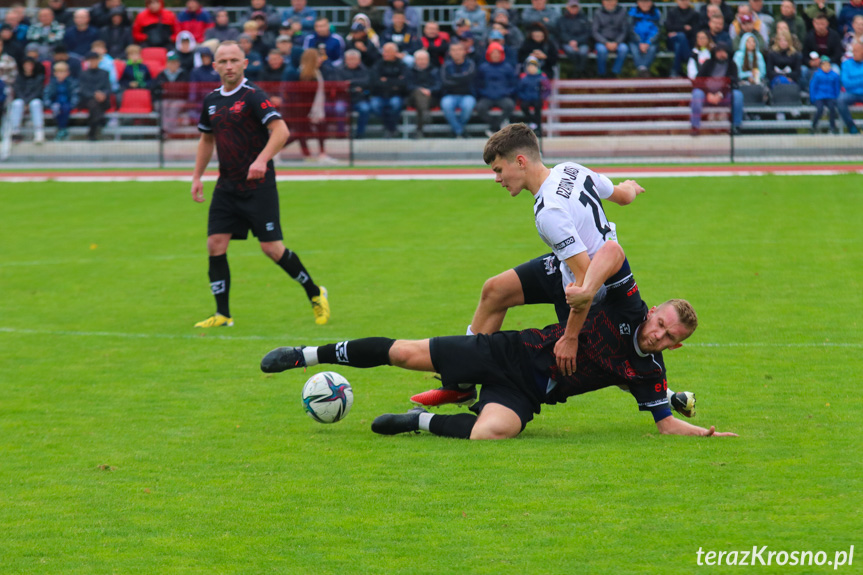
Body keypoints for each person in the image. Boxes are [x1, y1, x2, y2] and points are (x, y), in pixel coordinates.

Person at [260, 246, 730, 439]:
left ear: (675, 347)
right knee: (405, 353)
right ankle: (303, 356)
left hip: (527, 393)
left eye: (670, 336)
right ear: (652, 313)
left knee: (492, 433)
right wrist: (587, 291)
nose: (659, 333)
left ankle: (418, 422)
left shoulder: (650, 373)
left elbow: (665, 425)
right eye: (661, 322)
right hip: (508, 351)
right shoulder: (629, 307)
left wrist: (706, 434)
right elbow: (614, 251)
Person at [192, 41, 329, 328]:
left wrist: (261, 160)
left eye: (234, 60)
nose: (228, 66)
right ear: (214, 66)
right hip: (227, 186)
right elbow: (207, 139)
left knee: (272, 249)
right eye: (223, 61)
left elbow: (281, 130)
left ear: (244, 63)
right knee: (215, 244)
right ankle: (222, 314)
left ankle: (315, 293)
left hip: (258, 186)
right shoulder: (211, 100)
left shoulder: (254, 96)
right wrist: (196, 176)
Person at [690, 42, 743, 134]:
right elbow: (698, 81)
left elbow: (734, 83)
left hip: (724, 96)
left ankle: (736, 126)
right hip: (707, 95)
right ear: (714, 53)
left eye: (723, 52)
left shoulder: (732, 65)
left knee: (738, 95)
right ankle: (695, 127)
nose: (721, 54)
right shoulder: (708, 63)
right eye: (719, 51)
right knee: (697, 94)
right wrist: (708, 94)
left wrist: (720, 94)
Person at [474, 42, 516, 136]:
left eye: (498, 53)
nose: (496, 55)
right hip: (487, 96)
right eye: (493, 53)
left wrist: (507, 92)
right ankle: (497, 125)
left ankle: (494, 127)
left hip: (503, 96)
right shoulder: (483, 68)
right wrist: (483, 92)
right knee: (480, 107)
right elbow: (478, 83)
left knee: (509, 105)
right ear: (489, 54)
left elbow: (513, 83)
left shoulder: (508, 67)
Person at [368, 42, 409, 138]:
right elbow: (375, 82)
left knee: (395, 104)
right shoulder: (378, 64)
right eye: (384, 51)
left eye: (388, 52)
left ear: (395, 53)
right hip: (380, 94)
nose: (384, 54)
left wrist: (386, 81)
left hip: (396, 94)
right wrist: (395, 82)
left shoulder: (402, 65)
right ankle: (391, 128)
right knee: (375, 105)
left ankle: (389, 128)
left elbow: (404, 83)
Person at [440, 41, 477, 138]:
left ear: (464, 51)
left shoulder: (470, 64)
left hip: (467, 94)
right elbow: (444, 82)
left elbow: (469, 79)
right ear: (450, 52)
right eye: (453, 50)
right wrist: (462, 79)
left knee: (468, 106)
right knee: (446, 105)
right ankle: (460, 130)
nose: (456, 52)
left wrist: (452, 78)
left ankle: (455, 130)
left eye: (459, 50)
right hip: (450, 95)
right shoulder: (445, 65)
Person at [150, 50, 189, 137]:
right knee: (163, 106)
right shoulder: (161, 75)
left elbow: (185, 91)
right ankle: (167, 131)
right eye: (171, 62)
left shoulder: (183, 74)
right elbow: (155, 90)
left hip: (179, 100)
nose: (173, 65)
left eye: (175, 62)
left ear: (178, 63)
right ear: (167, 63)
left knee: (174, 107)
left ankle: (165, 131)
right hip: (164, 99)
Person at [9, 57, 45, 144]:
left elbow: (38, 91)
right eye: (26, 65)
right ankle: (15, 131)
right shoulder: (18, 77)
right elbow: (17, 91)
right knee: (17, 103)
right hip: (22, 100)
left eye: (30, 65)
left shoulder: (39, 77)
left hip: (34, 99)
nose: (28, 67)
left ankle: (39, 132)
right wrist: (25, 102)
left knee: (35, 103)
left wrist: (28, 101)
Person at [801, 13, 844, 85]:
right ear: (813, 23)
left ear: (827, 24)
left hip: (830, 63)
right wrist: (810, 62)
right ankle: (808, 91)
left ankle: (835, 91)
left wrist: (825, 61)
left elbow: (838, 54)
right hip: (814, 64)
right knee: (803, 70)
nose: (820, 26)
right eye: (817, 24)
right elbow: (804, 55)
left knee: (836, 71)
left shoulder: (834, 35)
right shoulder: (809, 36)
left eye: (822, 24)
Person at [405, 49, 439, 137]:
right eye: (420, 59)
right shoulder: (409, 70)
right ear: (415, 60)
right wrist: (421, 90)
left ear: (428, 60)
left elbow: (439, 86)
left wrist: (429, 90)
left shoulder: (434, 70)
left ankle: (419, 129)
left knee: (421, 101)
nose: (422, 61)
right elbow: (408, 86)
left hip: (431, 98)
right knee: (418, 94)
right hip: (413, 98)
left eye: (424, 59)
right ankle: (425, 118)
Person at [592, 0, 630, 78]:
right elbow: (595, 31)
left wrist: (617, 42)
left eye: (611, 0)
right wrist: (605, 42)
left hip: (618, 41)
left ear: (616, 1)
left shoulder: (622, 12)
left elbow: (624, 30)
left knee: (624, 49)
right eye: (607, 1)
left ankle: (615, 73)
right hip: (602, 42)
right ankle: (602, 74)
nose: (609, 3)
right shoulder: (598, 12)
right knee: (601, 50)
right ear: (603, 2)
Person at [78, 50, 111, 140]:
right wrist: (94, 95)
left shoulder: (104, 73)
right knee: (94, 104)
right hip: (89, 100)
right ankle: (100, 122)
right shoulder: (83, 74)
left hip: (103, 100)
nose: (93, 62)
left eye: (94, 60)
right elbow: (83, 90)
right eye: (91, 60)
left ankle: (92, 131)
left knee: (96, 105)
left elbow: (108, 88)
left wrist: (103, 94)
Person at [556, 0, 591, 78]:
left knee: (583, 52)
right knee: (571, 51)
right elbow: (562, 33)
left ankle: (578, 72)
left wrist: (577, 42)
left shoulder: (584, 18)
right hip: (567, 43)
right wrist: (570, 41)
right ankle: (579, 72)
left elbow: (587, 33)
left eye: (575, 7)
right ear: (567, 7)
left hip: (582, 43)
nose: (574, 9)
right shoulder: (562, 20)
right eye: (572, 7)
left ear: (578, 8)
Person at [43, 60, 78, 141]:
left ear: (67, 73)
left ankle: (61, 129)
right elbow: (46, 96)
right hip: (55, 103)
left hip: (67, 103)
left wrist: (73, 104)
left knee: (64, 108)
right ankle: (63, 130)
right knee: (57, 108)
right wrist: (49, 104)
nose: (61, 74)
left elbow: (75, 95)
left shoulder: (71, 82)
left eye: (63, 72)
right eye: (59, 72)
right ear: (55, 73)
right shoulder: (51, 83)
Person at [665, 0, 700, 77]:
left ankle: (676, 70)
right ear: (677, 1)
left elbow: (694, 30)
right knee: (680, 36)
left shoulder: (694, 14)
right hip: (672, 41)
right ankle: (688, 59)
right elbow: (668, 27)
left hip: (688, 42)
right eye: (682, 0)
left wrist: (676, 30)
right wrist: (683, 27)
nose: (684, 2)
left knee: (679, 44)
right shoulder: (672, 12)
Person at [628, 0, 662, 77]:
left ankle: (641, 70)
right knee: (634, 49)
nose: (645, 4)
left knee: (652, 49)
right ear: (638, 3)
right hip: (636, 41)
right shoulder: (632, 13)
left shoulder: (656, 13)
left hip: (651, 42)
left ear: (651, 3)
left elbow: (657, 31)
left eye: (647, 2)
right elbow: (631, 29)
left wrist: (648, 42)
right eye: (642, 2)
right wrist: (640, 42)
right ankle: (644, 71)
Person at [516, 56, 549, 132]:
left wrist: (543, 96)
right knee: (524, 106)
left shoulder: (542, 78)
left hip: (537, 98)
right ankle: (533, 121)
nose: (532, 68)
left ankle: (538, 126)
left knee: (538, 107)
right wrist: (523, 97)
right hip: (527, 98)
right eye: (530, 67)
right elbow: (519, 90)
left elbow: (547, 89)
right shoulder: (524, 78)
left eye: (534, 67)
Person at [809, 54, 841, 132]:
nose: (826, 67)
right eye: (824, 65)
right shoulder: (817, 75)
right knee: (819, 109)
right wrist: (813, 99)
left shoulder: (834, 75)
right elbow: (813, 87)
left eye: (828, 65)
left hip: (830, 97)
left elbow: (837, 87)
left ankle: (832, 127)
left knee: (832, 109)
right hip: (819, 97)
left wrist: (837, 98)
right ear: (821, 66)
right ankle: (813, 125)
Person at [838, 40, 863, 133]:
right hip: (850, 93)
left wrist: (854, 81)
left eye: (856, 51)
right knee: (840, 100)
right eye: (853, 51)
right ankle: (851, 127)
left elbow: (850, 82)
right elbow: (846, 83)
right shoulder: (846, 64)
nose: (853, 53)